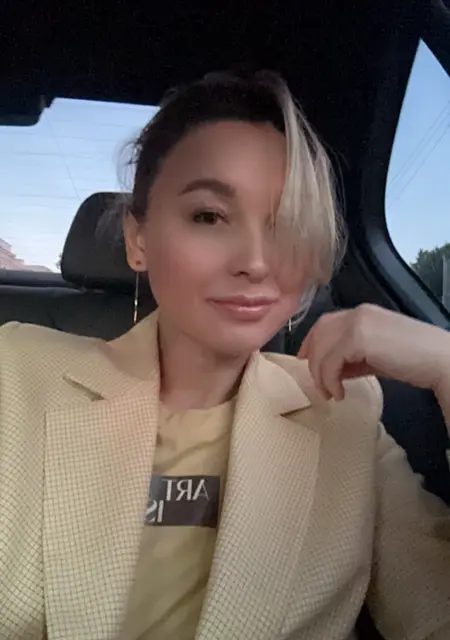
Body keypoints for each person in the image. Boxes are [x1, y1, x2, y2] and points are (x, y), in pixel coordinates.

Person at [0, 71, 448, 640]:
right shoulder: (15, 371)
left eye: (285, 224)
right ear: (139, 240)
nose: (256, 263)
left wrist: (446, 364)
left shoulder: (346, 413)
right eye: (209, 216)